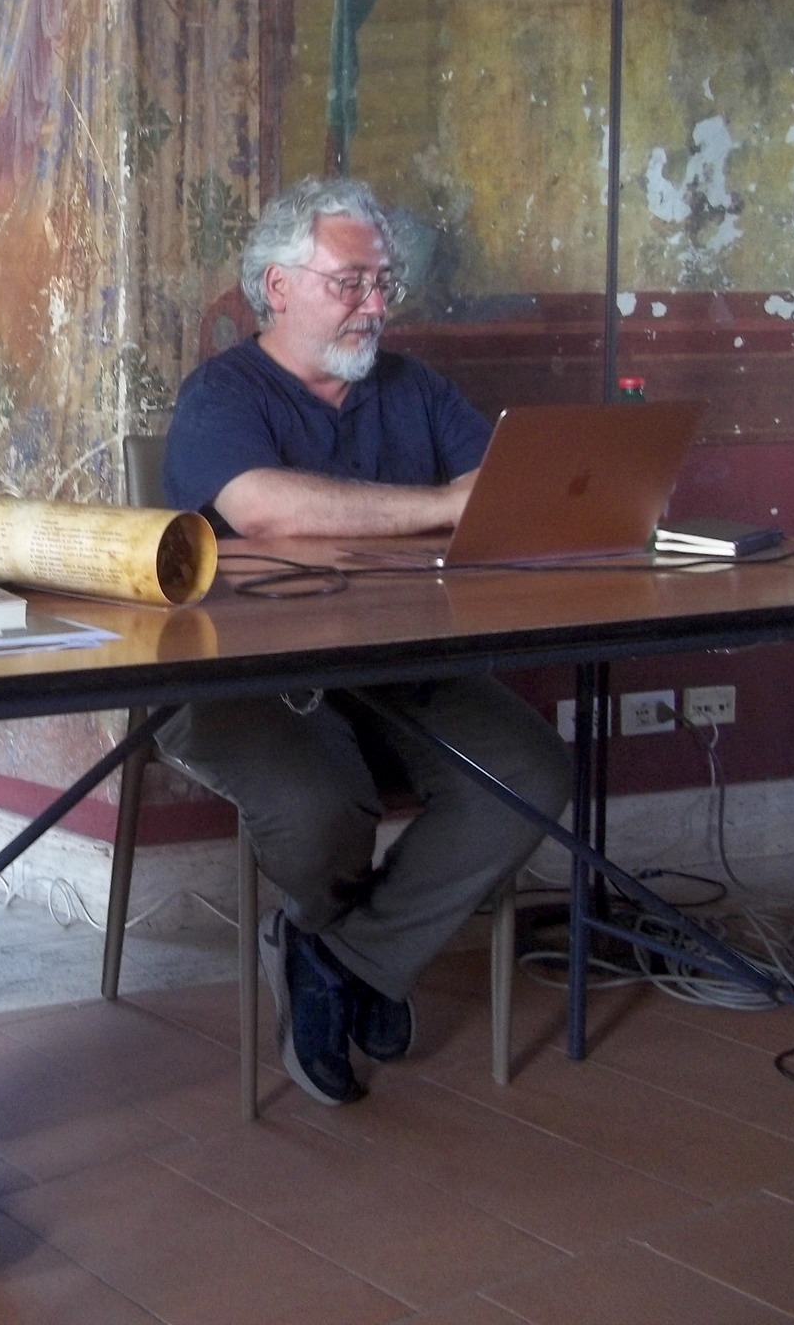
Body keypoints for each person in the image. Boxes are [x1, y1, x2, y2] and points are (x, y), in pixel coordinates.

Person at [160, 177, 570, 1107]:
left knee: (529, 774)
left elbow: (503, 493)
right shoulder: (220, 392)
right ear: (278, 287)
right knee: (319, 807)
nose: (376, 304)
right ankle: (360, 956)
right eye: (351, 282)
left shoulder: (414, 388)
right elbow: (264, 508)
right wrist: (435, 508)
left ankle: (342, 958)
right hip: (242, 675)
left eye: (384, 283)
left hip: (398, 663)